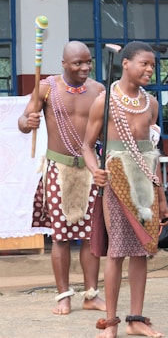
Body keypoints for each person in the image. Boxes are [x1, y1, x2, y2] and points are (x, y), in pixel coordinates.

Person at [82, 41, 168, 338]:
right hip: (116, 180)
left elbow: (151, 151)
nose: (149, 69)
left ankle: (136, 320)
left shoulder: (152, 104)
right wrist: (96, 171)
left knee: (142, 250)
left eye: (152, 65)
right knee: (117, 251)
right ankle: (110, 323)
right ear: (126, 64)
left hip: (145, 182)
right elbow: (87, 146)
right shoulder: (104, 101)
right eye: (144, 63)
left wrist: (160, 195)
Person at [18, 41, 106, 316]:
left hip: (91, 170)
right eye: (78, 63)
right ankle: (63, 295)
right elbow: (23, 121)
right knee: (61, 237)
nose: (85, 67)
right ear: (64, 64)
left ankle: (91, 294)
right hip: (58, 168)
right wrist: (27, 122)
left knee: (92, 236)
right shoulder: (46, 88)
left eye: (88, 62)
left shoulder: (98, 90)